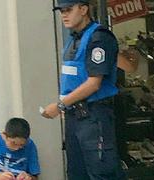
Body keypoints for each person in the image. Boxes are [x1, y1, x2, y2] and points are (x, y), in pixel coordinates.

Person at [41, 0, 128, 179]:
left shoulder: (99, 37)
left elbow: (94, 83)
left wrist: (59, 105)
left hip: (94, 116)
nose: (64, 15)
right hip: (75, 116)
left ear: (83, 9)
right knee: (77, 173)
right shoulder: (74, 38)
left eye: (68, 10)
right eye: (61, 11)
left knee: (101, 172)